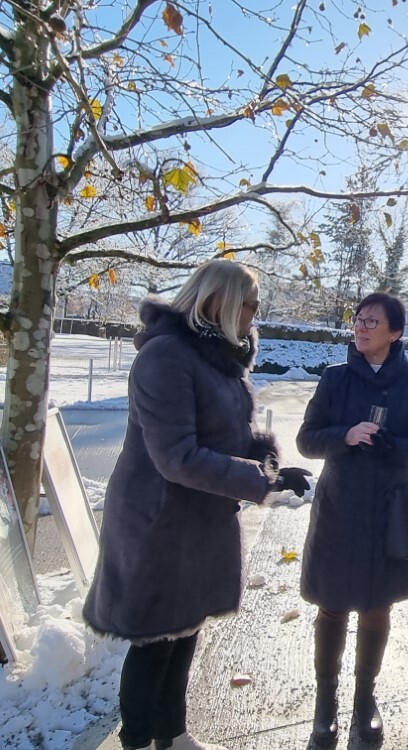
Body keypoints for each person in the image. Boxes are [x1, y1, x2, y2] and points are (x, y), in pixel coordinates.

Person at [83, 260, 311, 750]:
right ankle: (138, 740)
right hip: (159, 522)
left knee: (185, 632)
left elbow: (230, 434)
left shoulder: (218, 359)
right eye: (250, 305)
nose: (255, 315)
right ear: (220, 302)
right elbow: (176, 457)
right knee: (154, 642)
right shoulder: (166, 356)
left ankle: (173, 735)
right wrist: (260, 481)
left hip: (199, 520)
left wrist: (269, 463)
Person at [296, 292, 408, 747]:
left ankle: (365, 698)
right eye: (358, 319)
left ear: (395, 333)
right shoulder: (335, 378)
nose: (361, 327)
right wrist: (346, 434)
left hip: (391, 512)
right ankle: (325, 702)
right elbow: (306, 440)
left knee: (378, 606)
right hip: (340, 510)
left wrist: (393, 445)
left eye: (372, 322)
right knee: (332, 605)